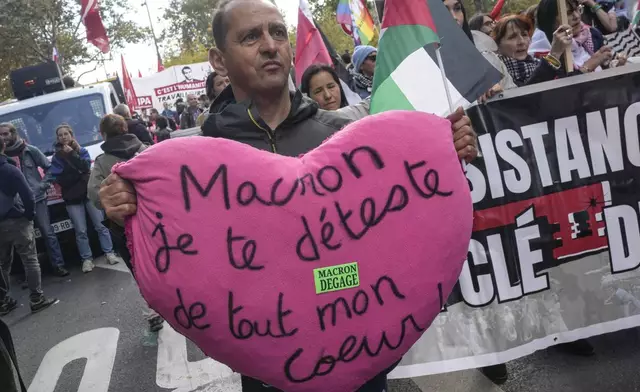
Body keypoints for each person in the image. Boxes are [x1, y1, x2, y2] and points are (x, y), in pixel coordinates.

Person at [99, 0, 477, 391]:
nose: (269, 45)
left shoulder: (345, 134)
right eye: (251, 37)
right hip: (267, 370)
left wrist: (452, 155)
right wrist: (122, 218)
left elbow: (407, 228)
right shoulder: (189, 167)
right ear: (218, 59)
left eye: (278, 33)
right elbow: (168, 266)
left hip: (364, 355)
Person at [87, 114, 164, 332]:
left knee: (137, 269)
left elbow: (94, 194)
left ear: (103, 134)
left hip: (124, 225)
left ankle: (152, 314)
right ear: (125, 127)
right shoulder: (146, 149)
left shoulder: (102, 162)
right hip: (157, 219)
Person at [0, 123, 68, 277]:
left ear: (14, 134)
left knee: (47, 232)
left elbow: (50, 168)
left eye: (5, 134)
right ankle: (28, 275)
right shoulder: (3, 157)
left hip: (37, 199)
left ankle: (58, 265)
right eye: (0, 135)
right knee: (23, 240)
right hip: (16, 204)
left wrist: (42, 186)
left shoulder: (30, 150)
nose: (2, 138)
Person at [50, 124, 121, 273]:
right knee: (80, 230)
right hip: (71, 198)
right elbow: (59, 178)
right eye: (60, 135)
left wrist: (72, 156)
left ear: (71, 135)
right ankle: (86, 259)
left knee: (101, 225)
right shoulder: (56, 157)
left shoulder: (81, 151)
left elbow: (85, 166)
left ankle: (109, 252)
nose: (63, 137)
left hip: (87, 194)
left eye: (66, 134)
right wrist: (78, 175)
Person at [0, 136, 58, 316]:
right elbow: (28, 195)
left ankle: (3, 301)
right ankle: (36, 298)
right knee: (30, 259)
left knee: (3, 263)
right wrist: (29, 214)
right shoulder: (10, 169)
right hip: (17, 220)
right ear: (3, 147)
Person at [444, 0, 516, 96]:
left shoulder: (486, 53)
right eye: (443, 11)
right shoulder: (421, 65)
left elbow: (513, 93)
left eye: (457, 9)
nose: (454, 17)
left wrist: (499, 94)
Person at [535, 0, 621, 72]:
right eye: (568, 13)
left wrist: (615, 66)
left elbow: (605, 68)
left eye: (577, 9)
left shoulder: (591, 34)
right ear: (550, 21)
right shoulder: (545, 53)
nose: (577, 16)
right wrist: (589, 66)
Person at [493, 15, 574, 86]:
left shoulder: (537, 62)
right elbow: (526, 96)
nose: (521, 42)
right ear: (497, 45)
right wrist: (554, 55)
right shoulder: (496, 74)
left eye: (524, 35)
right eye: (512, 37)